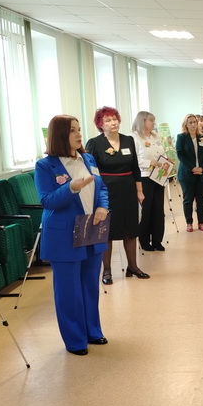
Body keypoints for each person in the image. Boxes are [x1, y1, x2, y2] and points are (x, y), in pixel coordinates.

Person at [36, 115, 109, 355]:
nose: (79, 134)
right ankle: (75, 340)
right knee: (69, 291)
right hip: (64, 236)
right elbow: (47, 201)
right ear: (59, 135)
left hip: (91, 228)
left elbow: (101, 187)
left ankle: (92, 331)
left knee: (90, 286)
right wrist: (70, 188)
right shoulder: (45, 165)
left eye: (79, 129)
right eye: (72, 131)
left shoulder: (88, 158)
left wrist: (103, 206)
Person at [86, 106, 149, 284]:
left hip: (128, 189)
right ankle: (107, 271)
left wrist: (139, 190)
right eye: (108, 120)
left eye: (115, 119)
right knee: (107, 230)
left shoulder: (128, 140)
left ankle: (133, 267)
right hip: (106, 191)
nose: (113, 123)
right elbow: (90, 171)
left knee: (131, 229)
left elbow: (135, 168)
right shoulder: (95, 143)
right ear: (100, 124)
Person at [132, 111, 166, 252]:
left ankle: (157, 240)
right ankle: (144, 241)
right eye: (151, 120)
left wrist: (165, 161)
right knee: (147, 209)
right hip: (144, 177)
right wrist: (149, 162)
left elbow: (162, 152)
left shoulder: (155, 136)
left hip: (158, 176)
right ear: (142, 121)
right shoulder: (134, 137)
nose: (153, 123)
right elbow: (134, 159)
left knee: (158, 209)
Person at [176, 114, 203, 232]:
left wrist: (202, 168)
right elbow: (180, 155)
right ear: (186, 124)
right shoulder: (181, 137)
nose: (193, 124)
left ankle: (201, 222)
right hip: (187, 174)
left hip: (202, 173)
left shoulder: (202, 137)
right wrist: (192, 168)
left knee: (201, 200)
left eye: (194, 122)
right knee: (188, 199)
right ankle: (189, 223)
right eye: (190, 122)